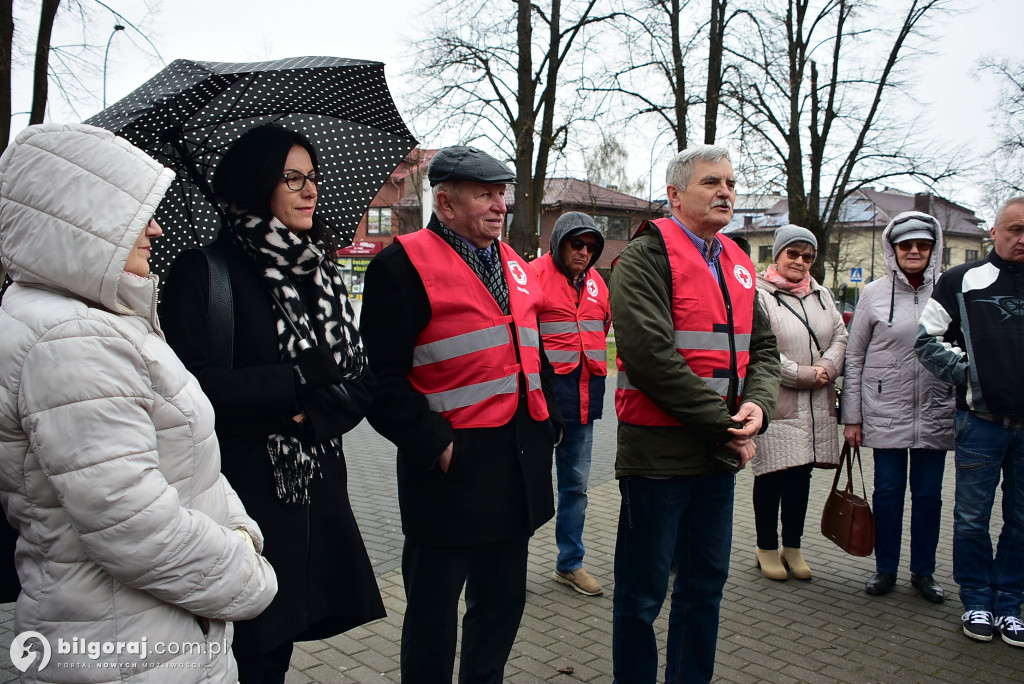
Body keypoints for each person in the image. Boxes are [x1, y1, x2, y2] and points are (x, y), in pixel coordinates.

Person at [0, 123, 277, 681]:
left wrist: (239, 531)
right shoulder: (72, 338)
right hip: (127, 647)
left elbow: (188, 466)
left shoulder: (93, 320)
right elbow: (131, 524)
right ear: (82, 217)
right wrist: (248, 574)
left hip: (142, 633)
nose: (154, 227)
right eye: (137, 212)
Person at [160, 124, 385, 683]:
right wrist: (293, 384)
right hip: (243, 498)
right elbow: (186, 389)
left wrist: (312, 412)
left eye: (312, 177)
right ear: (256, 183)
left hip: (316, 495)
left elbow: (360, 379)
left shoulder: (318, 272)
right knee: (245, 653)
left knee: (277, 651)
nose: (310, 190)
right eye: (292, 178)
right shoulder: (204, 273)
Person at [360, 145, 562, 683]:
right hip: (450, 473)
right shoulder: (400, 267)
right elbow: (379, 379)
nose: (500, 205)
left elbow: (531, 350)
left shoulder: (515, 264)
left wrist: (549, 424)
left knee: (500, 609)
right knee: (432, 620)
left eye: (502, 193)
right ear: (445, 203)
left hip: (517, 465)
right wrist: (437, 445)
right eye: (485, 194)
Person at [609, 144, 781, 683]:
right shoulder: (645, 257)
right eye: (711, 182)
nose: (726, 192)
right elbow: (650, 357)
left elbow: (765, 349)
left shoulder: (737, 261)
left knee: (705, 588)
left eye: (730, 182)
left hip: (717, 457)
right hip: (658, 457)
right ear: (675, 195)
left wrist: (757, 405)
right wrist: (727, 425)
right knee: (641, 596)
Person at [916, 196, 1024, 647]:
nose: (1022, 239)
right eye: (1015, 229)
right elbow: (927, 340)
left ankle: (1011, 603)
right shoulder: (961, 280)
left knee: (1020, 520)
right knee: (971, 518)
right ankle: (977, 599)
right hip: (980, 421)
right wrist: (974, 375)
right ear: (994, 232)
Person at [842, 212, 954, 603]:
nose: (914, 251)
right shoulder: (873, 293)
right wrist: (852, 417)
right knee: (888, 493)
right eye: (906, 245)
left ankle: (923, 571)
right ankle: (885, 568)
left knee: (928, 496)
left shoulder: (948, 289)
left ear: (933, 249)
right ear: (893, 249)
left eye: (923, 244)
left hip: (935, 410)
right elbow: (854, 356)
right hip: (885, 409)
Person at [750, 225, 848, 581]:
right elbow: (759, 347)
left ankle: (792, 545)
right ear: (777, 254)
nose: (800, 261)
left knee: (800, 476)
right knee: (772, 474)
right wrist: (804, 375)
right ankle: (765, 546)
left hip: (816, 405)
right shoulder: (759, 294)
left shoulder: (821, 294)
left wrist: (826, 368)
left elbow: (840, 337)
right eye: (793, 253)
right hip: (778, 400)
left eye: (808, 256)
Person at [532, 211, 611, 596]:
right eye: (576, 244)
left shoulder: (598, 284)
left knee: (576, 487)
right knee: (526, 486)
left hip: (584, 400)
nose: (584, 252)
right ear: (558, 242)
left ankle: (570, 563)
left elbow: (603, 328)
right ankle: (507, 567)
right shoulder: (532, 275)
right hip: (540, 401)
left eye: (591, 247)